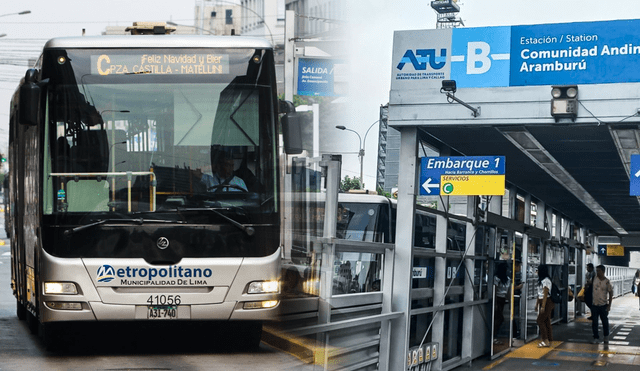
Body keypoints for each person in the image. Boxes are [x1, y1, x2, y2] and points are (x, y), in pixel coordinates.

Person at [591, 264, 613, 344]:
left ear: (603, 271)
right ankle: (596, 337)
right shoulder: (594, 279)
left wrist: (609, 305)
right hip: (594, 305)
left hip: (603, 305)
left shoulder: (607, 282)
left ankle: (606, 337)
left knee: (605, 322)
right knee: (595, 323)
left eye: (599, 271)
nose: (597, 272)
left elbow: (611, 293)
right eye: (596, 271)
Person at [535, 264, 554, 348]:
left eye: (538, 270)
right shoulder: (542, 280)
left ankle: (545, 340)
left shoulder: (546, 280)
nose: (537, 272)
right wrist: (537, 304)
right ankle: (549, 339)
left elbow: (545, 294)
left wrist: (543, 306)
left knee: (540, 320)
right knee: (546, 320)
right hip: (542, 301)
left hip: (546, 302)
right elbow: (539, 294)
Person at [493, 262, 511, 345]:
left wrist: (510, 302)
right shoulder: (497, 278)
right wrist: (495, 302)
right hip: (498, 299)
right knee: (499, 318)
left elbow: (508, 292)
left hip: (503, 299)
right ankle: (494, 336)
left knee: (498, 318)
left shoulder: (507, 279)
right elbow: (495, 290)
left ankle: (495, 336)